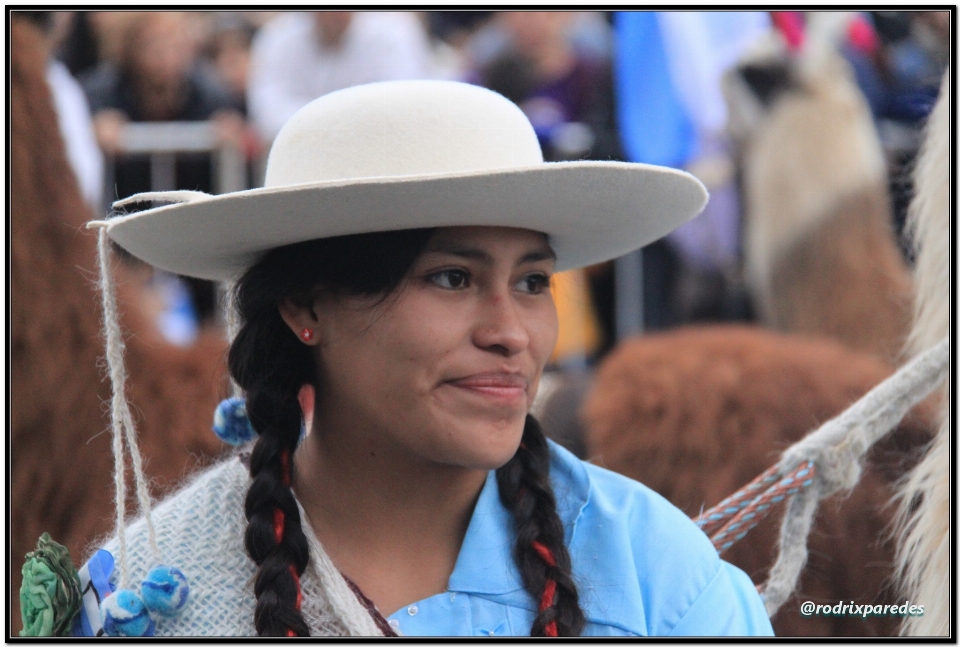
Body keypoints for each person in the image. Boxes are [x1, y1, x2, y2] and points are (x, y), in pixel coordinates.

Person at [68, 80, 772, 637]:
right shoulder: (155, 594)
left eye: (532, 282)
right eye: (452, 278)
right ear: (308, 306)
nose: (512, 332)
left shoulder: (658, 581)